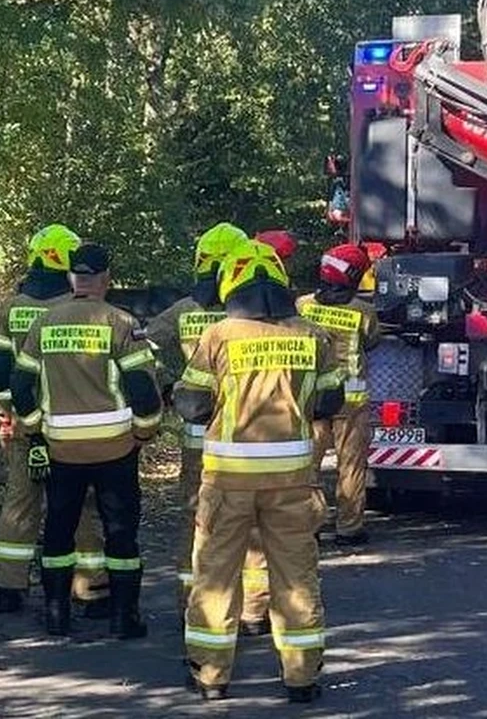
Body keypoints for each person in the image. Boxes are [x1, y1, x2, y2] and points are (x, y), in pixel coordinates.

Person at [174, 239, 344, 703]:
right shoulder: (311, 335)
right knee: (295, 576)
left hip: (229, 479)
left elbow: (191, 404)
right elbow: (331, 401)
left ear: (233, 285)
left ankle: (211, 677)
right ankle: (302, 678)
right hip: (293, 480)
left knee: (215, 575)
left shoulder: (218, 336)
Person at [11, 242, 163, 637]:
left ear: (70, 279)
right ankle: (123, 618)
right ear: (106, 279)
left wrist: (32, 428)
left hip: (61, 448)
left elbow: (20, 383)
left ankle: (57, 615)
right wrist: (144, 431)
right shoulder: (120, 322)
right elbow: (143, 388)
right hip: (115, 448)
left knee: (59, 529)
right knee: (120, 531)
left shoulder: (43, 323)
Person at [148, 223, 272, 635]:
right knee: (254, 523)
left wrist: (168, 385)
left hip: (199, 437)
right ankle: (254, 611)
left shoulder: (183, 310)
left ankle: (194, 602)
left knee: (198, 522)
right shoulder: (259, 316)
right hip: (250, 435)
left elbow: (144, 345)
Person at [0, 225, 111, 617]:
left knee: (19, 504)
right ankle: (91, 590)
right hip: (70, 428)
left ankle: (9, 586)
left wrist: (8, 414)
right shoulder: (77, 309)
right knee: (82, 507)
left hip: (27, 426)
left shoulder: (14, 308)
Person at [296, 243, 381, 546]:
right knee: (351, 466)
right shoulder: (364, 311)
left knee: (307, 464)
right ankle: (349, 528)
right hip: (351, 401)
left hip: (313, 400)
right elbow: (371, 342)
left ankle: (309, 526)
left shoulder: (303, 306)